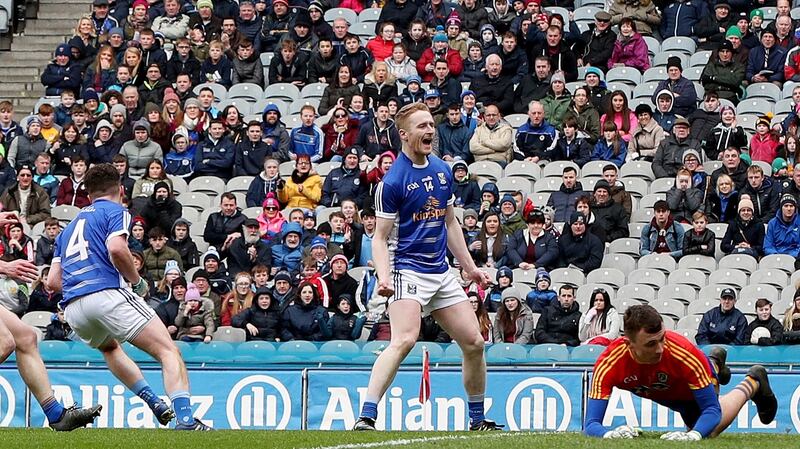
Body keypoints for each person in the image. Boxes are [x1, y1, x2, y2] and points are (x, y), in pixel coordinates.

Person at [353, 103, 500, 431]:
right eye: (421, 126)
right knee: (404, 340)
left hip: (440, 272)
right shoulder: (392, 182)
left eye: (431, 125)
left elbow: (450, 223)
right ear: (404, 135)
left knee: (474, 343)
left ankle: (477, 420)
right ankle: (366, 415)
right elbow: (379, 238)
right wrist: (384, 276)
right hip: (408, 271)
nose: (430, 131)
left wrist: (470, 268)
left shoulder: (441, 169)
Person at [46, 163, 211, 430]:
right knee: (168, 351)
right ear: (121, 189)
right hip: (106, 294)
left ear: (88, 194)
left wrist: (82, 288)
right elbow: (117, 248)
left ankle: (153, 401)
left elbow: (53, 282)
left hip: (74, 308)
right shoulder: (116, 211)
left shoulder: (67, 228)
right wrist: (137, 282)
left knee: (110, 348)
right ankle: (186, 421)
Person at [585, 304, 777, 440]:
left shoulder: (683, 352)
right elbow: (591, 423)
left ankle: (753, 381)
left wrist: (692, 436)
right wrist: (609, 434)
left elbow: (712, 410)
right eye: (651, 344)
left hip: (693, 385)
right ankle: (715, 362)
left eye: (662, 338)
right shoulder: (608, 363)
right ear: (629, 344)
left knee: (707, 431)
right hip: (674, 391)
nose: (661, 348)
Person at [764, 194, 800, 262]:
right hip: (775, 258)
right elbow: (768, 246)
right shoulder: (772, 223)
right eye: (786, 206)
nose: (789, 209)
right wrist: (777, 256)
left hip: (795, 259)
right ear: (781, 208)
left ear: (795, 208)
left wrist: (789, 256)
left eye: (791, 206)